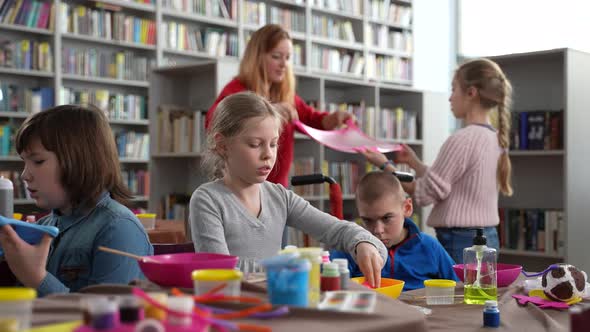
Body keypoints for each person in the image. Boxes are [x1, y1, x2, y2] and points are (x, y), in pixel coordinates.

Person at [191, 92, 387, 287]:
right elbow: (220, 274)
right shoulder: (207, 200)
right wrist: (288, 267)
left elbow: (338, 230)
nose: (268, 154)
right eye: (255, 144)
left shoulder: (280, 197)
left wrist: (364, 243)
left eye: (274, 144)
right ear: (223, 145)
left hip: (278, 306)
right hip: (234, 312)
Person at [360, 58, 512, 263]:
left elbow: (424, 193)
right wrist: (414, 163)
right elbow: (452, 182)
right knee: (480, 295)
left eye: (454, 89)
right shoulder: (494, 137)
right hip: (486, 237)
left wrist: (384, 165)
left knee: (457, 295)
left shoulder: (463, 139)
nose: (450, 98)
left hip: (460, 241)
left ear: (471, 93)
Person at [0, 105, 153, 296]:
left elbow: (105, 321)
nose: (24, 175)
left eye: (38, 161)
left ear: (80, 161)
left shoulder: (119, 228)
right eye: (24, 162)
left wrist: (37, 278)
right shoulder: (42, 226)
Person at [206, 24, 351, 188]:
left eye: (288, 57)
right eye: (276, 56)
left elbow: (312, 119)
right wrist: (269, 112)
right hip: (242, 188)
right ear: (257, 57)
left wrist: (334, 119)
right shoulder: (236, 90)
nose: (284, 64)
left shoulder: (285, 95)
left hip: (276, 190)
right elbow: (213, 121)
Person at [330, 171, 458, 291]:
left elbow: (458, 290)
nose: (378, 230)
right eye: (367, 220)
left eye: (387, 218)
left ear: (407, 208)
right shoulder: (348, 249)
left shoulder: (429, 247)